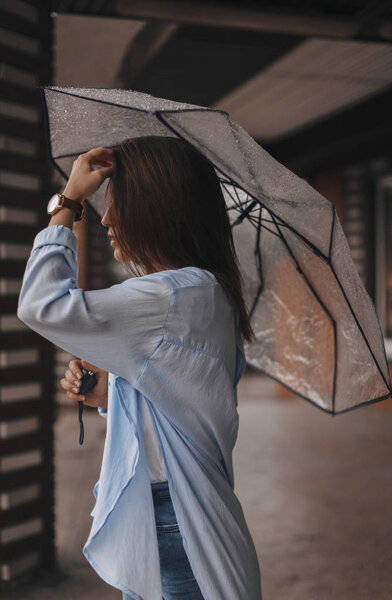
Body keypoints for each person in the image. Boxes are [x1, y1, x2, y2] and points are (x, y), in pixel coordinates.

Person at [17, 136, 262, 600]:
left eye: (116, 205)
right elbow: (185, 401)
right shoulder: (208, 292)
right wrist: (110, 395)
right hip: (182, 516)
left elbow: (39, 305)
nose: (106, 217)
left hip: (176, 521)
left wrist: (69, 201)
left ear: (158, 210)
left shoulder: (168, 295)